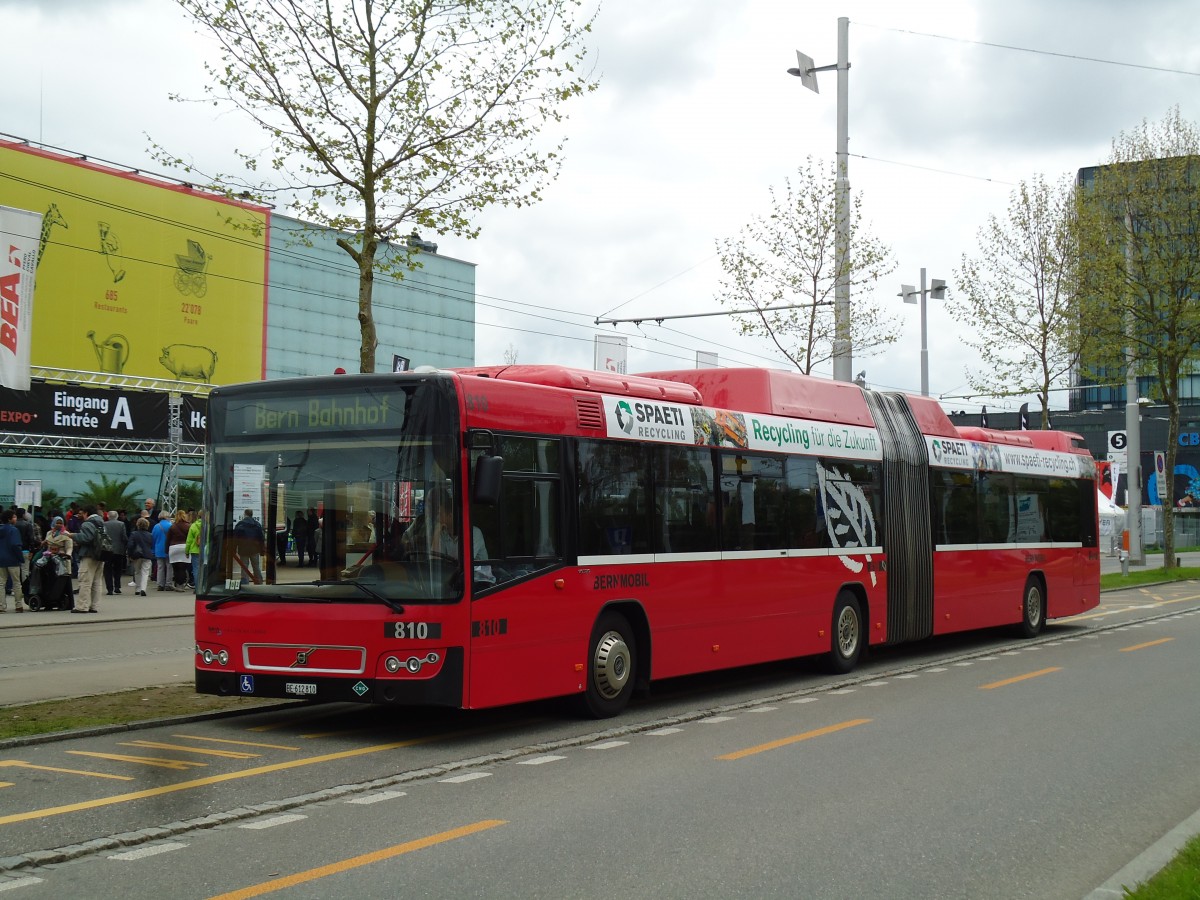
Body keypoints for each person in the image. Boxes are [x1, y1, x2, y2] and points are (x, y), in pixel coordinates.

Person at [73, 504, 106, 614]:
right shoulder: (101, 522)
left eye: (82, 513)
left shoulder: (87, 524)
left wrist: (73, 536)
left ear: (86, 513)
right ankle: (94, 606)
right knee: (97, 581)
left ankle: (82, 606)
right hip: (101, 554)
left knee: (85, 581)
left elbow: (87, 538)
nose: (81, 516)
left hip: (89, 555)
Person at [0, 509, 28, 613]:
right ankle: (18, 605)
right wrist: (20, 558)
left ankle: (1, 606)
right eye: (14, 517)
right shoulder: (13, 530)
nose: (16, 518)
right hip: (13, 559)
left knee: (1, 583)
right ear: (9, 519)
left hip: (1, 560)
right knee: (16, 582)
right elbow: (15, 545)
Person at [232, 509, 265, 584]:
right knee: (256, 567)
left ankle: (245, 583)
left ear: (245, 514)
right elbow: (261, 538)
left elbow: (235, 539)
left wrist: (233, 549)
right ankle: (259, 582)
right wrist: (262, 550)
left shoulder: (240, 525)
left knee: (244, 567)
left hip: (243, 550)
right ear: (251, 514)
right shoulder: (257, 524)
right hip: (255, 550)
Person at [103, 505, 129, 595]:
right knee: (118, 569)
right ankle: (117, 587)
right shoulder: (121, 524)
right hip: (119, 550)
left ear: (108, 516)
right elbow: (124, 537)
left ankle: (109, 588)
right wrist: (126, 545)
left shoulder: (104, 524)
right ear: (117, 516)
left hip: (107, 550)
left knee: (107, 569)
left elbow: (103, 537)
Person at [126, 516, 155, 596]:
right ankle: (143, 589)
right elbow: (152, 545)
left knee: (137, 571)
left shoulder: (134, 534)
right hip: (147, 555)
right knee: (145, 572)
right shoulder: (150, 535)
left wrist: (130, 554)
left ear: (138, 525)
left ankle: (138, 589)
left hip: (136, 555)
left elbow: (130, 545)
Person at [167, 509, 191, 589]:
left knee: (175, 567)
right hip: (184, 547)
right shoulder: (189, 526)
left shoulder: (172, 526)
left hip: (173, 548)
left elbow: (168, 539)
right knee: (183, 568)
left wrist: (166, 549)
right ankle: (181, 584)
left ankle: (177, 583)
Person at [152, 511, 173, 591]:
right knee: (169, 567)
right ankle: (168, 584)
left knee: (160, 567)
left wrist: (153, 549)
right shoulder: (170, 526)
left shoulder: (156, 526)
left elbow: (153, 539)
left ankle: (160, 584)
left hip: (158, 549)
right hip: (168, 549)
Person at [185, 509, 204, 589]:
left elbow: (189, 540)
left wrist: (186, 551)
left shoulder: (193, 525)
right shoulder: (208, 525)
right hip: (205, 550)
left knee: (196, 569)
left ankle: (197, 587)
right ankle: (203, 586)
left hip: (195, 550)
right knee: (204, 569)